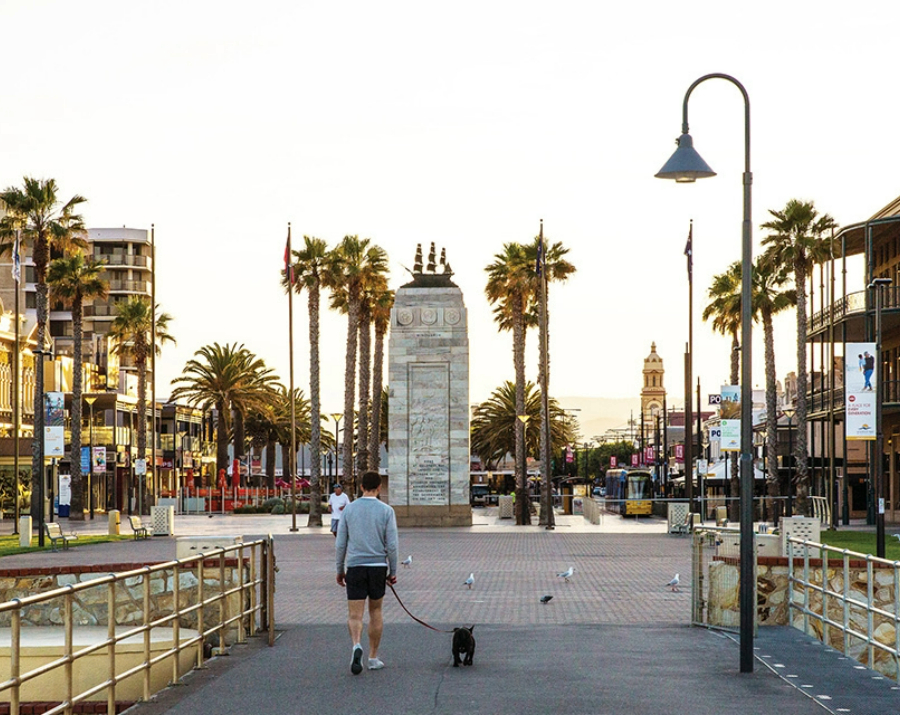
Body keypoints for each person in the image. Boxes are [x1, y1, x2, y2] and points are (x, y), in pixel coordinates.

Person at [335, 471, 398, 675]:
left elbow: (341, 544)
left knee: (355, 614)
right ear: (379, 488)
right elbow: (392, 545)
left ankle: (356, 645)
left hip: (355, 567)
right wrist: (393, 571)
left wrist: (339, 569)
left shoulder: (349, 510)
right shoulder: (387, 511)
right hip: (378, 567)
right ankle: (373, 657)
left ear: (361, 487)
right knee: (376, 612)